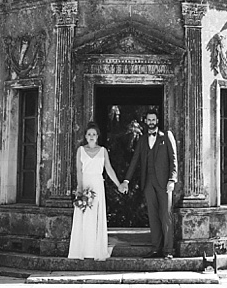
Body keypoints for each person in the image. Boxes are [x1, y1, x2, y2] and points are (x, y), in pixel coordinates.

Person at [118, 111, 178, 259]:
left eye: (153, 119)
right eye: (149, 119)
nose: (151, 122)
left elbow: (174, 159)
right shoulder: (143, 139)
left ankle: (168, 250)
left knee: (166, 215)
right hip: (148, 183)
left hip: (164, 184)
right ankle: (156, 249)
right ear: (145, 121)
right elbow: (134, 161)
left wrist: (172, 179)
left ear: (157, 120)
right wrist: (126, 180)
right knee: (152, 216)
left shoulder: (166, 136)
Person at [68, 121, 122, 260]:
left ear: (97, 136)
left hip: (98, 185)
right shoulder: (80, 150)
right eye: (89, 134)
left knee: (96, 217)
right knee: (84, 216)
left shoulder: (103, 150)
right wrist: (80, 189)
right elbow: (79, 171)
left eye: (94, 134)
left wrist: (118, 184)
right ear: (85, 136)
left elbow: (108, 169)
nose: (91, 136)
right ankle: (82, 251)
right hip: (85, 183)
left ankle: (96, 251)